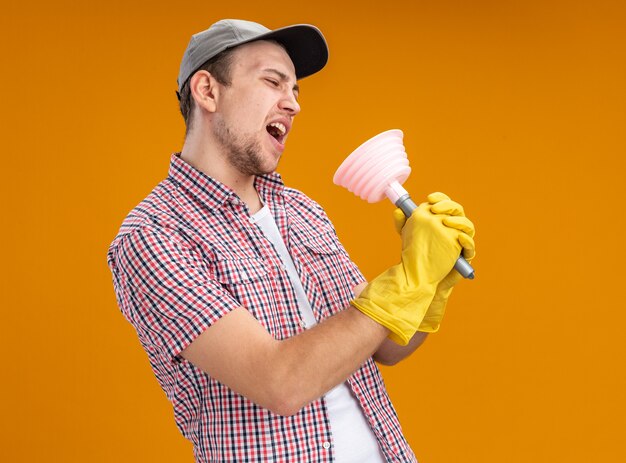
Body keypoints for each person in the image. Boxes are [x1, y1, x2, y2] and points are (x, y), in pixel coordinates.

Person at [107, 19, 475, 463]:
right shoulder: (154, 237)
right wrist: (405, 280)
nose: (294, 104)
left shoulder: (301, 210)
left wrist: (432, 283)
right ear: (207, 91)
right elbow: (280, 383)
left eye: (296, 90)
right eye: (273, 81)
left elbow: (385, 345)